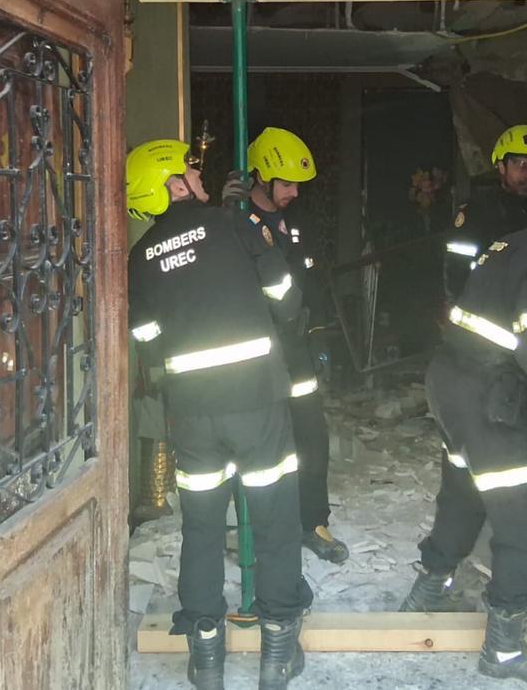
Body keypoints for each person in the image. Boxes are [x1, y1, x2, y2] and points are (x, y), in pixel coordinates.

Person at [126, 138, 312, 690]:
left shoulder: (140, 258)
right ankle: (277, 653)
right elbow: (286, 295)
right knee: (275, 518)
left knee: (202, 527)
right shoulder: (231, 224)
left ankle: (206, 657)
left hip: (193, 412)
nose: (197, 172)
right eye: (188, 168)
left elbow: (148, 340)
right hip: (256, 400)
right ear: (172, 184)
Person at [400, 196, 527, 687]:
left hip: (451, 383)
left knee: (465, 491)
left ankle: (431, 585)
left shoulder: (518, 241)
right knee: (524, 518)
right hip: (487, 398)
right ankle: (505, 649)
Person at [224, 127, 351, 565]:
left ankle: (312, 521)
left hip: (296, 353)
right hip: (254, 355)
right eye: (286, 184)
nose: (295, 193)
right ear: (259, 177)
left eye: (299, 184)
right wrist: (221, 214)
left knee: (312, 438)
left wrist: (319, 332)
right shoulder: (234, 225)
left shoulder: (299, 222)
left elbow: (313, 280)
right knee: (258, 448)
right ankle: (254, 532)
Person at [444, 124, 527, 304]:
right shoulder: (478, 210)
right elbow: (457, 268)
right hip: (484, 306)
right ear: (501, 166)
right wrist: (458, 303)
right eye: (522, 166)